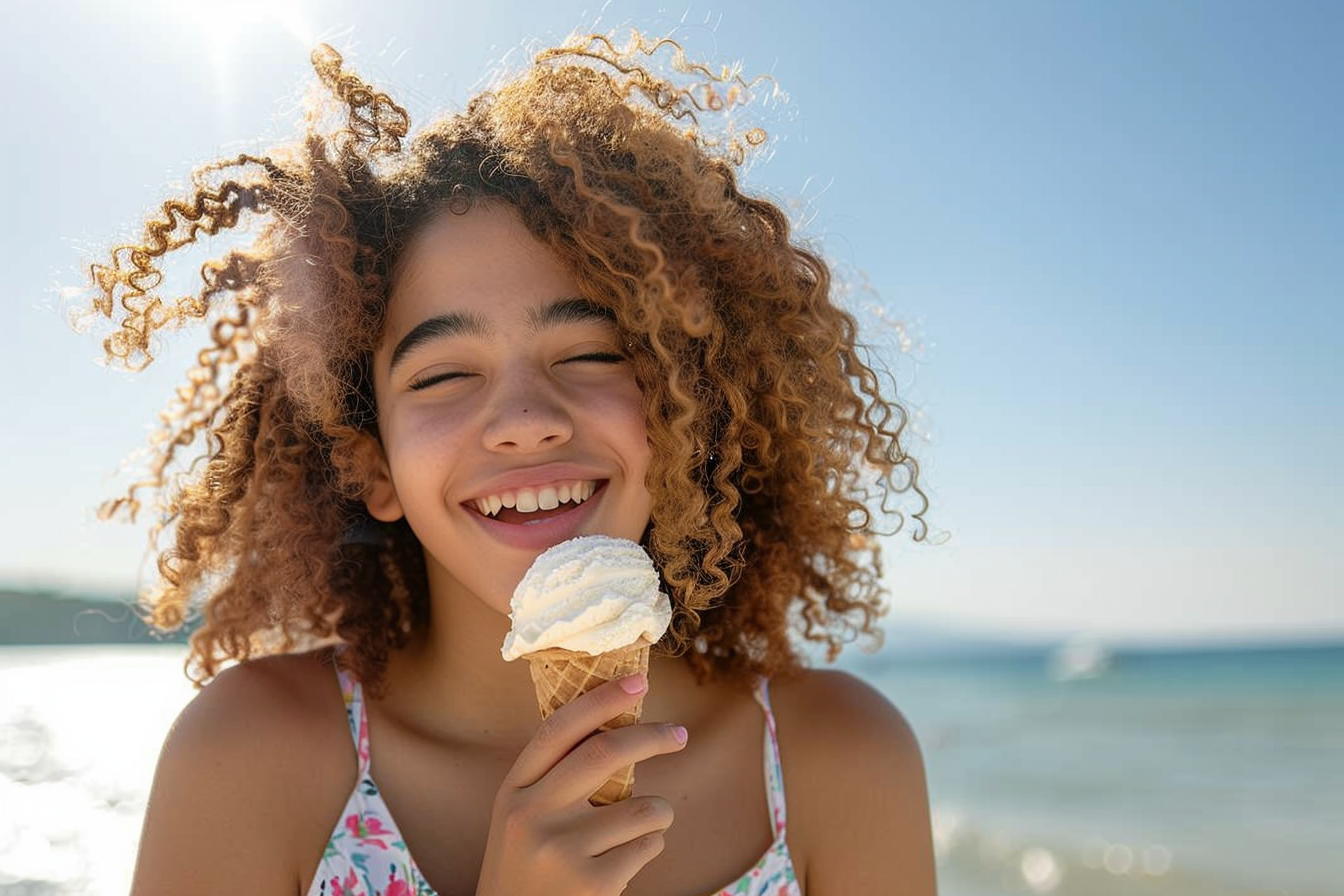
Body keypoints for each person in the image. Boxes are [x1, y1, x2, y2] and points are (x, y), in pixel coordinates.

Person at [86, 30, 937, 896]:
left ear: (687, 413)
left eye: (593, 354)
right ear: (373, 468)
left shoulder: (838, 761)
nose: (526, 423)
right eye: (445, 374)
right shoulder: (246, 758)